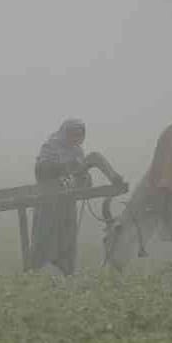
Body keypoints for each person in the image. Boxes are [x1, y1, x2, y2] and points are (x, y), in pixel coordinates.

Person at [28, 118, 122, 275]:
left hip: (67, 204)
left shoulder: (78, 151)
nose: (75, 139)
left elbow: (81, 175)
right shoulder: (50, 146)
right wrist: (63, 167)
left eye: (79, 136)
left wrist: (86, 179)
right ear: (64, 133)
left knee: (67, 240)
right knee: (44, 238)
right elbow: (40, 171)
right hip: (48, 203)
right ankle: (35, 272)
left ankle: (67, 273)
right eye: (72, 135)